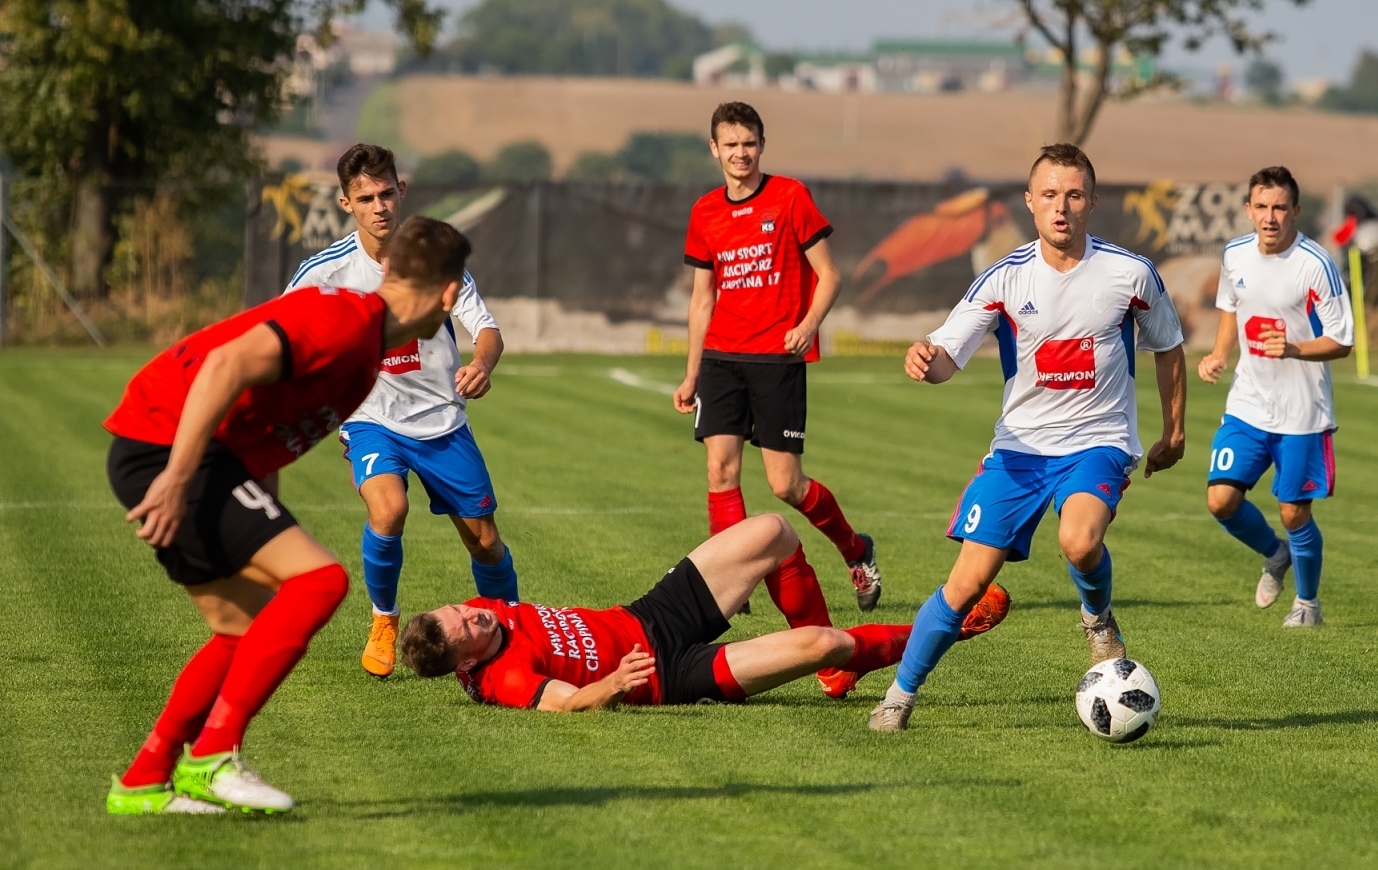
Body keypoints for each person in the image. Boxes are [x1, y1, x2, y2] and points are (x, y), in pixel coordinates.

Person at [102, 217, 471, 815]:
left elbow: (261, 430)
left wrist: (260, 509)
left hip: (175, 449)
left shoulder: (366, 345)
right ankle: (213, 755)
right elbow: (226, 365)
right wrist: (175, 475)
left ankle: (145, 780)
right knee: (320, 581)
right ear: (451, 293)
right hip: (168, 447)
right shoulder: (346, 324)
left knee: (239, 629)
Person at [868, 143, 1187, 733]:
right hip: (1019, 451)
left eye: (1072, 195)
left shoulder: (1130, 273)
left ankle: (1098, 620)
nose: (1060, 207)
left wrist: (1174, 432)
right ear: (1030, 203)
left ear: (1091, 202)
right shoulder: (1005, 278)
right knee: (966, 584)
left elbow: (1168, 344)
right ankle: (899, 696)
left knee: (1079, 540)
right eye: (1049, 196)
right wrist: (923, 358)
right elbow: (947, 355)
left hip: (1099, 440)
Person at [671, 101, 880, 698]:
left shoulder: (790, 197)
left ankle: (854, 548)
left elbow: (830, 275)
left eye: (750, 144)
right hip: (720, 360)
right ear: (713, 149)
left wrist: (810, 323)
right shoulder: (705, 211)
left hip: (778, 359)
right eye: (730, 145)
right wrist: (690, 374)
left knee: (786, 485)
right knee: (719, 470)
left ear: (762, 146)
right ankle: (727, 585)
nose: (741, 153)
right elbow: (701, 300)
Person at [287, 143, 517, 679]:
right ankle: (384, 620)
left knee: (484, 540)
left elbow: (487, 330)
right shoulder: (323, 271)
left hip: (442, 421)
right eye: (365, 197)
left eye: (386, 193)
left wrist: (482, 363)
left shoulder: (435, 259)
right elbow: (283, 334)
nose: (379, 206)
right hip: (371, 419)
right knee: (387, 510)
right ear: (346, 203)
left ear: (402, 190)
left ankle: (511, 627)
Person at [400, 515, 1009, 710]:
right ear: (466, 662)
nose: (476, 616)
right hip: (671, 673)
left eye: (461, 610)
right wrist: (612, 683)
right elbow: (560, 702)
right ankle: (947, 625)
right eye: (468, 629)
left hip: (648, 613)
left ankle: (834, 670)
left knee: (773, 531)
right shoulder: (500, 678)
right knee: (821, 644)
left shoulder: (475, 613)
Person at [1197, 167, 1353, 627]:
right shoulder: (1235, 255)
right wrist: (1219, 354)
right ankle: (1274, 554)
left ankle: (1307, 604)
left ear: (1295, 212)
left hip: (1302, 412)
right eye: (1261, 207)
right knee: (1220, 500)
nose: (1270, 217)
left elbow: (1343, 341)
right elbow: (1230, 308)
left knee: (1293, 510)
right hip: (1248, 402)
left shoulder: (1316, 264)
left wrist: (1294, 348)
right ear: (1249, 210)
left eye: (1280, 207)